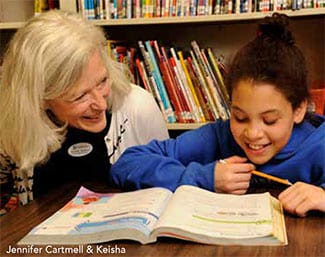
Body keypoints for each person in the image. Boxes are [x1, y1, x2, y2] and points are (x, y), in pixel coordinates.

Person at [111, 13, 325, 217]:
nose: (253, 133)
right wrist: (204, 177)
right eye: (240, 117)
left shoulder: (319, 146)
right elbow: (128, 163)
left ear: (298, 110)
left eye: (269, 120)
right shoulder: (218, 136)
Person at [0, 10, 169, 216]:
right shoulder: (13, 122)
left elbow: (165, 191)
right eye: (80, 96)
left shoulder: (138, 107)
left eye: (102, 82)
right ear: (40, 98)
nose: (100, 103)